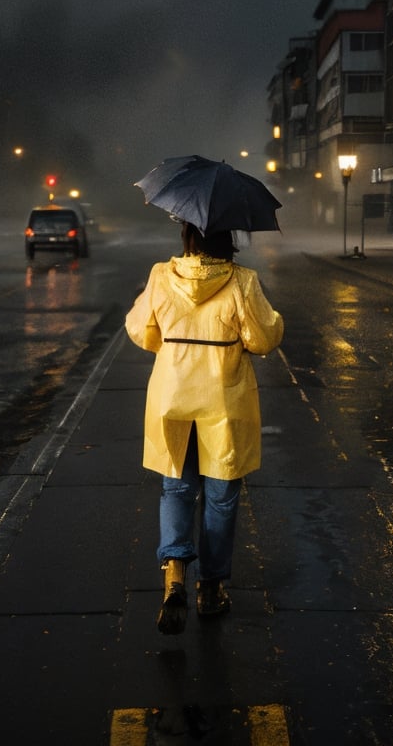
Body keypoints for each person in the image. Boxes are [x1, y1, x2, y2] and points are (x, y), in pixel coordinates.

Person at [125, 221, 284, 635]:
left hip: (172, 397)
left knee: (176, 487)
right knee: (220, 497)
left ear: (188, 237)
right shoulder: (242, 281)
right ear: (228, 240)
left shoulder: (162, 276)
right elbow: (264, 338)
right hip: (223, 401)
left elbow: (142, 332)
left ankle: (174, 575)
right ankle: (210, 590)